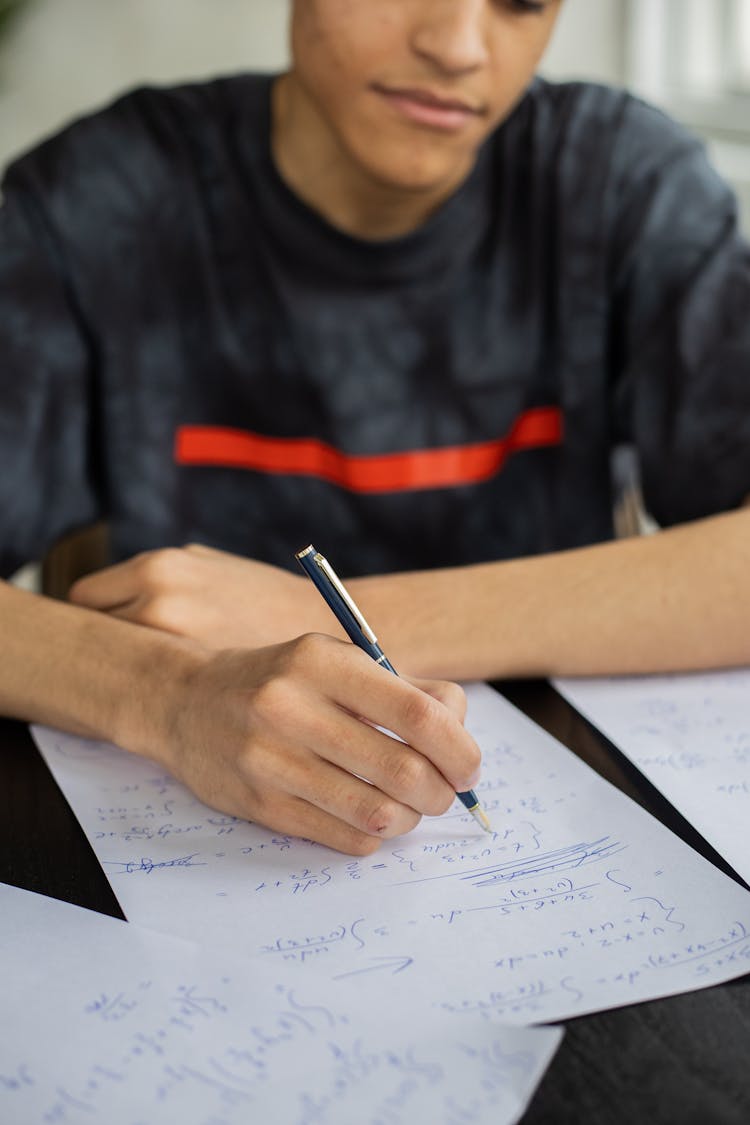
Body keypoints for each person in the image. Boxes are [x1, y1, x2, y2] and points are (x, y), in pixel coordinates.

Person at [1, 0, 749, 854]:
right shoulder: (105, 198)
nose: (460, 46)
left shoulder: (620, 183)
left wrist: (303, 618)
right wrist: (169, 696)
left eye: (523, 1)